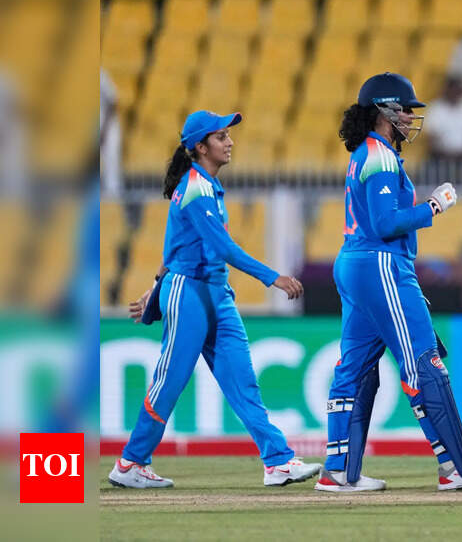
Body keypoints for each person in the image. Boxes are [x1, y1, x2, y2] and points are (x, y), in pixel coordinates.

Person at [115, 111, 319, 488]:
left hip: (216, 295)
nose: (230, 142)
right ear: (199, 146)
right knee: (169, 382)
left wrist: (155, 285)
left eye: (228, 135)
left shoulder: (207, 185)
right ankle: (130, 463)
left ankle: (277, 461)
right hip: (190, 294)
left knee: (243, 382)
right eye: (221, 136)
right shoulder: (195, 187)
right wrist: (273, 278)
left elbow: (178, 245)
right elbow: (223, 248)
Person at [316, 72, 462, 493]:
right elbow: (385, 224)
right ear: (384, 112)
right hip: (381, 265)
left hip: (355, 262)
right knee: (423, 362)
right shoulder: (379, 156)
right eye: (406, 110)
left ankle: (339, 470)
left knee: (355, 370)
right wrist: (435, 205)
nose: (412, 118)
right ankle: (459, 468)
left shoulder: (365, 152)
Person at [423, 76, 462, 159]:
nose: (454, 92)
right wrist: (445, 154)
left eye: (457, 89)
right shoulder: (435, 108)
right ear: (446, 90)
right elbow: (431, 137)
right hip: (441, 156)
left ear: (461, 90)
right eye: (452, 89)